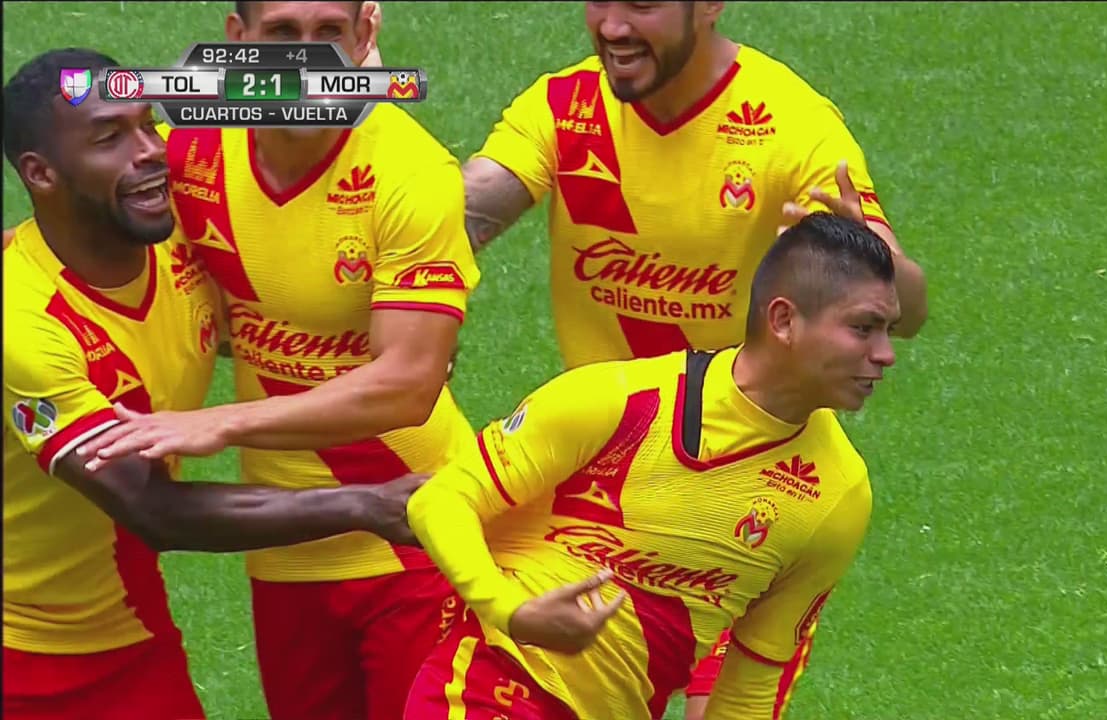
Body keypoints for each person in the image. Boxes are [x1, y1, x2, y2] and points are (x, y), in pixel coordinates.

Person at [461, 2, 925, 715]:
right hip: (607, 478)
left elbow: (905, 307)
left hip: (749, 490)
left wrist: (878, 255)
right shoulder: (565, 108)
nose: (613, 25)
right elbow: (457, 218)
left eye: (642, 4)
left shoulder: (789, 125)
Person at [72, 3, 483, 719]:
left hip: (416, 535)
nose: (306, 61)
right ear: (238, 42)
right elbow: (71, 235)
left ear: (364, 36)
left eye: (329, 34)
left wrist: (223, 422)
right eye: (283, 34)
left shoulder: (410, 171)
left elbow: (408, 384)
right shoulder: (189, 153)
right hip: (286, 545)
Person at [2, 48, 422, 720]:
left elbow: (288, 241)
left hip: (129, 634)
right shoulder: (23, 321)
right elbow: (153, 509)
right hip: (21, 659)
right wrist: (371, 506)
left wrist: (397, 331)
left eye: (148, 124)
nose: (151, 151)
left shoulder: (180, 232)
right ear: (41, 173)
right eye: (110, 138)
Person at [401, 212, 894, 720]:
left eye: (888, 331)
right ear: (785, 321)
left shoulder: (838, 494)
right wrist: (512, 612)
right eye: (863, 329)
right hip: (490, 685)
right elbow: (442, 500)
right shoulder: (619, 401)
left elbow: (754, 678)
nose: (886, 354)